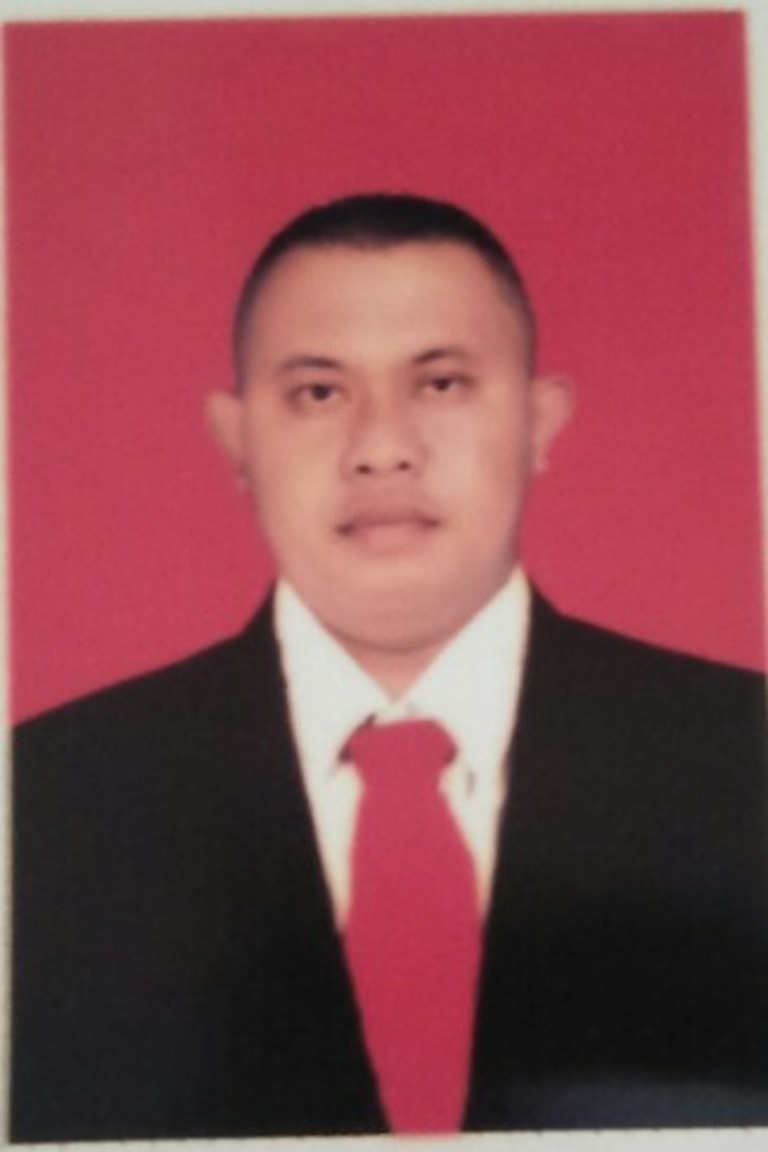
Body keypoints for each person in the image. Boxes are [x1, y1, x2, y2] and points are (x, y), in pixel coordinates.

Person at [11, 193, 768, 1143]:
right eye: (318, 394)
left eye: (442, 384)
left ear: (540, 422)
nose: (380, 450)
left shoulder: (741, 757)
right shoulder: (47, 796)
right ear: (236, 439)